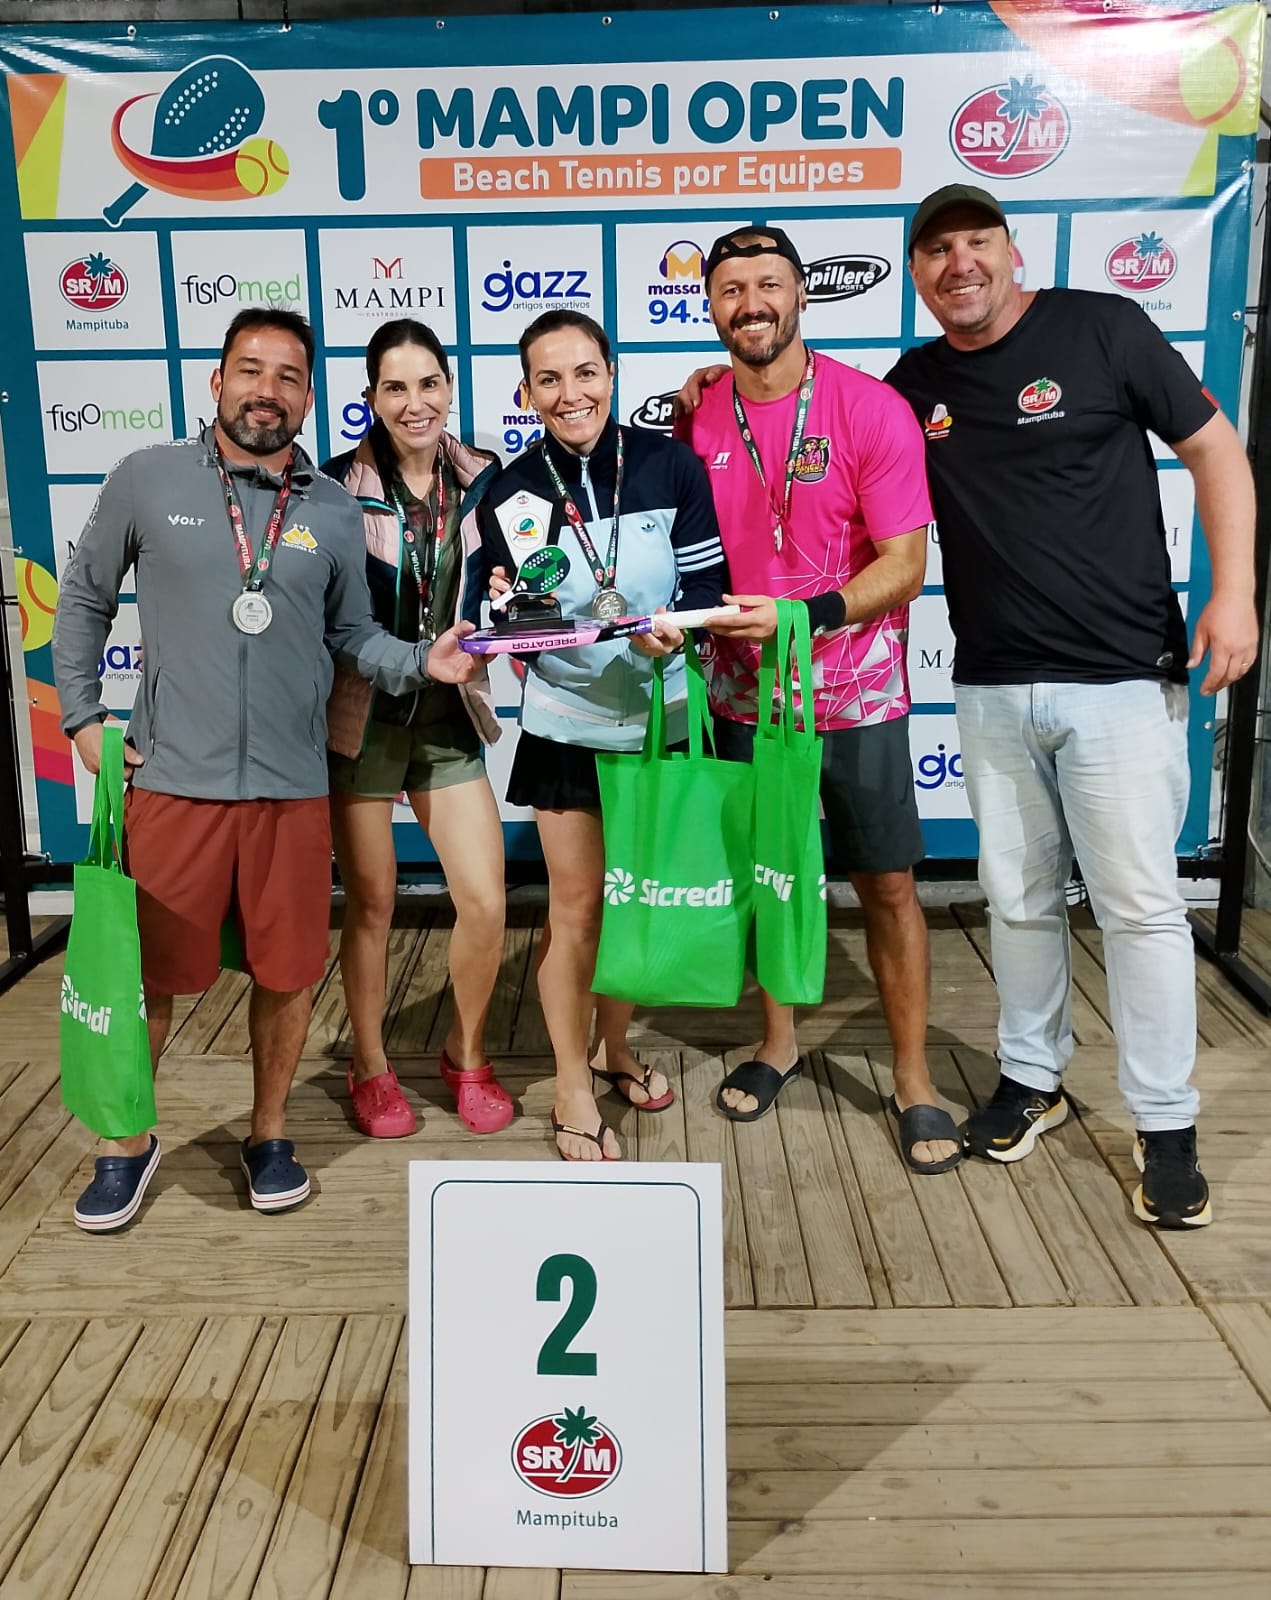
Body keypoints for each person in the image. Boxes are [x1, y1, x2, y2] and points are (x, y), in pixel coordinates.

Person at [52, 307, 480, 1232]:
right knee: (150, 979)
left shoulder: (330, 507)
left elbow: (351, 634)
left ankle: (270, 1134)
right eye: (250, 370)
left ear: (309, 397)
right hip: (174, 783)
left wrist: (424, 660)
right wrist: (82, 717)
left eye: (288, 377)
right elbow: (82, 597)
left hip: (292, 790)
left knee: (285, 975)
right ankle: (126, 1140)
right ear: (217, 381)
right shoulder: (147, 477)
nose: (266, 391)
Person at [887, 183, 1259, 1226]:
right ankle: (1030, 1077)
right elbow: (829, 433)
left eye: (975, 241)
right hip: (990, 684)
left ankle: (1164, 1124)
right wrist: (709, 387)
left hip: (1120, 681)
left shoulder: (1102, 327)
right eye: (936, 251)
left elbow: (1214, 449)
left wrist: (1234, 592)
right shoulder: (913, 383)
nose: (958, 264)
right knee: (1014, 898)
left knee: (1139, 908)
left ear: (1011, 251)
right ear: (915, 275)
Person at [676, 225, 962, 1175]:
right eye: (730, 289)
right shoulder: (695, 417)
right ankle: (778, 1041)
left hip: (857, 693)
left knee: (887, 884)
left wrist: (808, 615)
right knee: (772, 877)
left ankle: (913, 1077)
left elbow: (906, 565)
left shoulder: (871, 409)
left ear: (802, 294)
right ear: (709, 307)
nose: (750, 304)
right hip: (742, 695)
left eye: (768, 284)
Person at [477, 309, 728, 1161]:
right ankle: (571, 1084)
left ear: (611, 374)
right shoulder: (509, 491)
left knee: (634, 901)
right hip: (568, 726)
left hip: (660, 718)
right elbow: (505, 615)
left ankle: (612, 1047)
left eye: (584, 372)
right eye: (548, 379)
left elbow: (709, 588)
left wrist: (681, 633)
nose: (569, 393)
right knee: (577, 910)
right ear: (526, 392)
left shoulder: (669, 464)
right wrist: (508, 614)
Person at [323, 319, 512, 1140]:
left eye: (428, 383)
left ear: (448, 387)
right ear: (370, 397)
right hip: (362, 718)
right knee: (372, 904)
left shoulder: (487, 477)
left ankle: (465, 1053)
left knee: (486, 901)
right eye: (394, 388)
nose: (414, 403)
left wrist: (508, 598)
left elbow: (517, 574)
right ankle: (369, 1065)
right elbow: (337, 624)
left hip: (445, 717)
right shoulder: (333, 488)